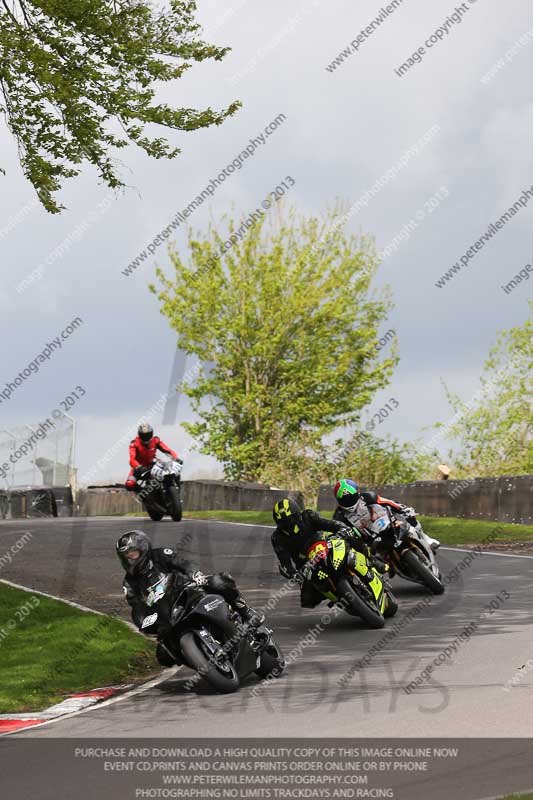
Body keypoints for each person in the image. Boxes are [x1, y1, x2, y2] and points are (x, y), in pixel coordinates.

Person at [116, 530, 264, 666]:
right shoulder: (129, 583)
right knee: (163, 656)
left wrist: (194, 574)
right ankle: (200, 660)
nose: (130, 560)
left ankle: (247, 612)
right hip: (166, 614)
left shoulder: (160, 554)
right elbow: (136, 607)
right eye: (126, 557)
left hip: (188, 592)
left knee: (219, 582)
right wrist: (144, 623)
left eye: (132, 554)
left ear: (143, 549)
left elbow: (184, 564)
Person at [271, 497, 379, 609]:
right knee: (307, 600)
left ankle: (373, 562)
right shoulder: (277, 538)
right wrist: (294, 574)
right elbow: (284, 562)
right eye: (283, 523)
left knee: (352, 537)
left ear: (297, 514)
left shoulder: (308, 516)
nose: (288, 525)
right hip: (306, 565)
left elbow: (327, 524)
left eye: (290, 520)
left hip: (325, 545)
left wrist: (341, 528)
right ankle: (336, 597)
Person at [332, 478, 440, 551]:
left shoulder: (368, 497)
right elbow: (337, 532)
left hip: (388, 521)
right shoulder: (339, 515)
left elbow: (388, 502)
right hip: (370, 540)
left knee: (409, 515)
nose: (349, 501)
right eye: (345, 500)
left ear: (357, 493)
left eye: (351, 498)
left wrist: (403, 509)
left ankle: (426, 538)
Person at [125, 423, 180, 493]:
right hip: (139, 468)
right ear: (139, 435)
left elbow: (167, 450)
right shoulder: (134, 444)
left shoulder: (156, 440)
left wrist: (176, 458)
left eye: (148, 435)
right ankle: (143, 495)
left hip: (153, 465)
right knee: (129, 484)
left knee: (173, 471)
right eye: (144, 436)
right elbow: (132, 459)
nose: (146, 437)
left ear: (151, 434)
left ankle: (176, 491)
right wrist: (138, 467)